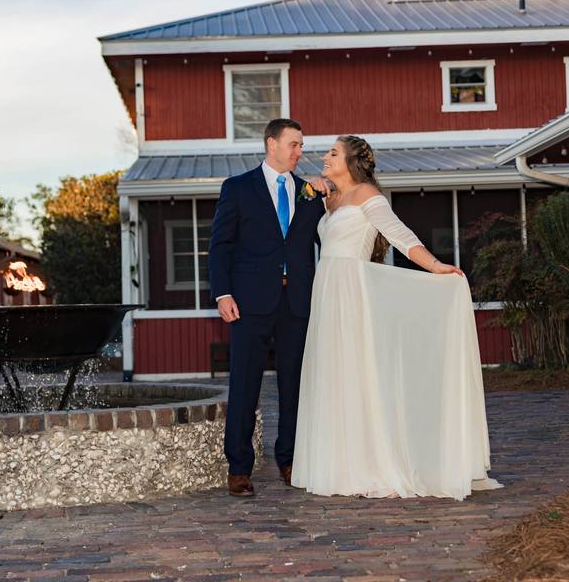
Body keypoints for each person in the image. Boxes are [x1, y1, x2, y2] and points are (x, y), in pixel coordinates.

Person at [291, 135, 502, 500]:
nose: (325, 157)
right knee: (333, 372)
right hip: (326, 290)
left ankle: (371, 464)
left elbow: (400, 236)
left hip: (350, 289)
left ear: (352, 161)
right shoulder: (330, 200)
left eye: (333, 153)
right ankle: (339, 464)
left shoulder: (369, 196)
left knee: (358, 373)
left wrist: (436, 266)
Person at [208, 118, 330, 497]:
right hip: (248, 304)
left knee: (295, 385)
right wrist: (222, 294)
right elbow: (220, 246)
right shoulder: (238, 188)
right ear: (271, 144)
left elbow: (324, 243)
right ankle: (239, 468)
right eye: (294, 144)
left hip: (296, 303)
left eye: (301, 145)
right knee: (246, 385)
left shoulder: (311, 193)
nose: (300, 152)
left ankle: (290, 459)